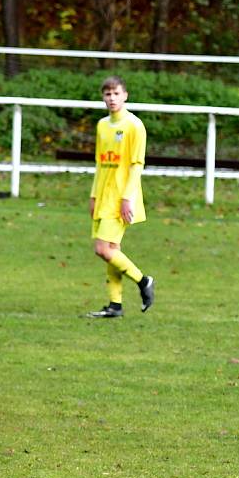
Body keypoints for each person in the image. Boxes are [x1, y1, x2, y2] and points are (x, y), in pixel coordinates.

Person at [87, 75, 155, 318]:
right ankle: (115, 305)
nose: (112, 98)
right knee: (112, 249)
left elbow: (137, 165)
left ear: (125, 95)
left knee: (102, 249)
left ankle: (143, 280)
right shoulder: (102, 125)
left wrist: (127, 197)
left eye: (116, 93)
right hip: (103, 195)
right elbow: (99, 163)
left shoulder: (134, 126)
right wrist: (94, 194)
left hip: (121, 197)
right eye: (107, 94)